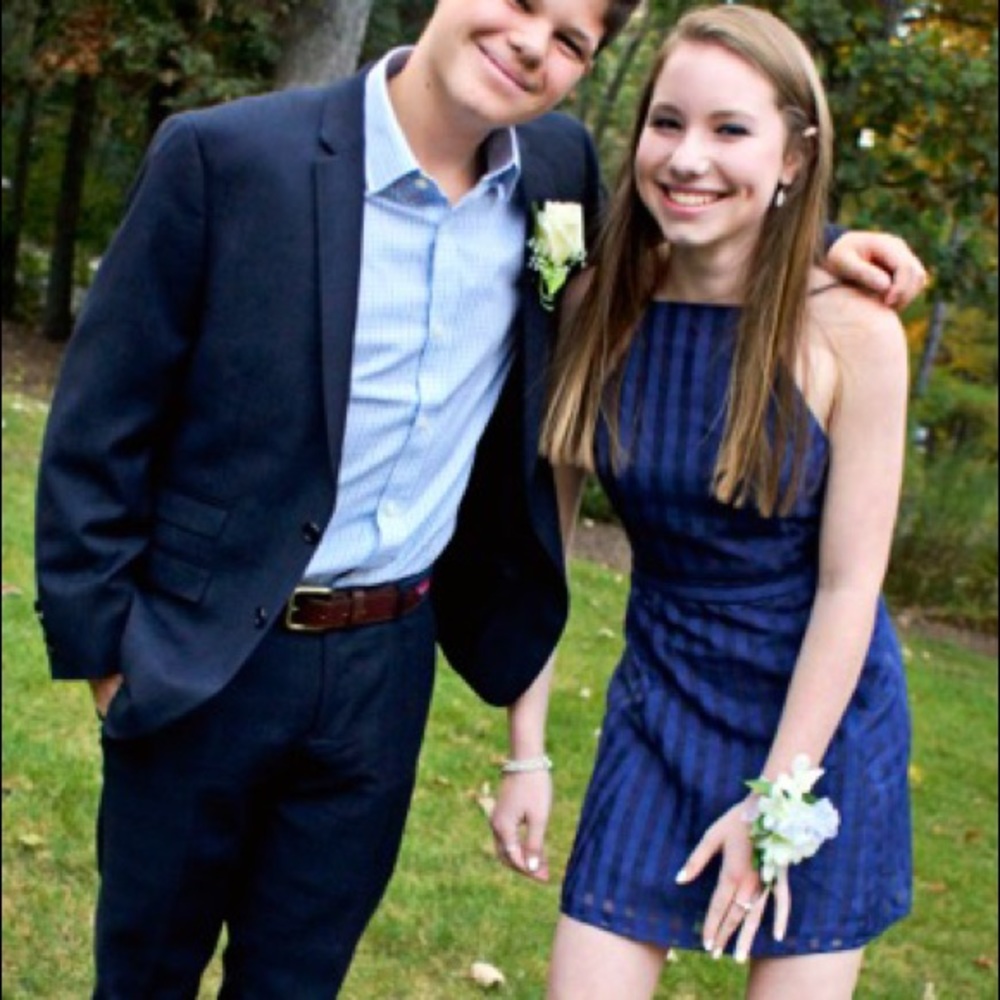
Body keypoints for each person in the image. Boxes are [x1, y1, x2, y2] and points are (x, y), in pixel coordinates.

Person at [34, 0, 924, 995]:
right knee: (145, 970)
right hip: (204, 655)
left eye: (573, 38)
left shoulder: (551, 180)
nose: (533, 41)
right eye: (523, 2)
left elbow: (711, 221)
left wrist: (825, 246)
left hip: (382, 665)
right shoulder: (229, 157)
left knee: (297, 975)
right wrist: (106, 656)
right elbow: (98, 425)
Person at [491, 6, 915, 999]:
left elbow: (850, 590)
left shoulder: (854, 332)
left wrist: (778, 800)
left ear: (794, 157)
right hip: (660, 705)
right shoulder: (592, 301)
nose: (687, 157)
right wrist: (525, 752)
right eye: (666, 122)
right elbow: (542, 542)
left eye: (730, 130)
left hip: (821, 728)